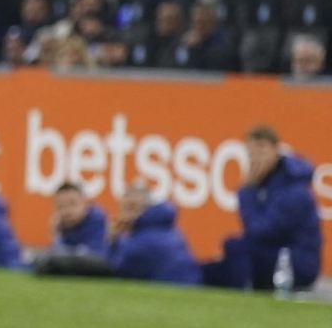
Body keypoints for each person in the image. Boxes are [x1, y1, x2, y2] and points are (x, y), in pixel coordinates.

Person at [203, 124, 323, 292]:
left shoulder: (294, 190)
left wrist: (247, 190)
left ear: (276, 150)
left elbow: (260, 232)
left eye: (261, 150)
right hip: (275, 256)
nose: (256, 158)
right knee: (216, 267)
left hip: (296, 264)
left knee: (237, 249)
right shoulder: (268, 184)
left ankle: (242, 295)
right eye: (251, 153)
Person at [107, 185, 202, 285]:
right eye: (123, 208)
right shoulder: (166, 230)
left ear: (147, 207)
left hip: (177, 289)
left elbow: (116, 270)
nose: (125, 215)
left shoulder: (145, 240)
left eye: (132, 207)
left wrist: (111, 240)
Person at [48, 180, 108, 253]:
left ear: (85, 203)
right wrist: (56, 235)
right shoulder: (61, 227)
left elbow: (94, 255)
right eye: (61, 206)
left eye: (72, 204)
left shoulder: (98, 223)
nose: (67, 210)